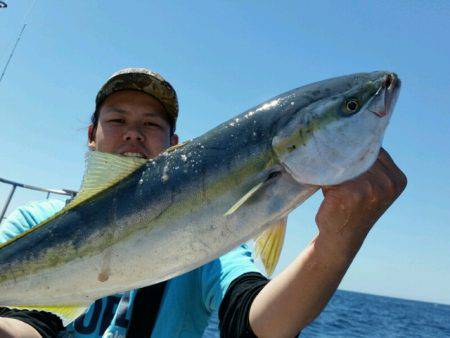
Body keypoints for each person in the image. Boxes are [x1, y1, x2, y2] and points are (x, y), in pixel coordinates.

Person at [0, 68, 407, 338]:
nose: (133, 135)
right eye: (117, 120)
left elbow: (254, 323)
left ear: (174, 146)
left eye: (151, 125)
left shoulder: (215, 247)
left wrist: (337, 243)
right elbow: (26, 324)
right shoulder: (32, 223)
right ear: (93, 134)